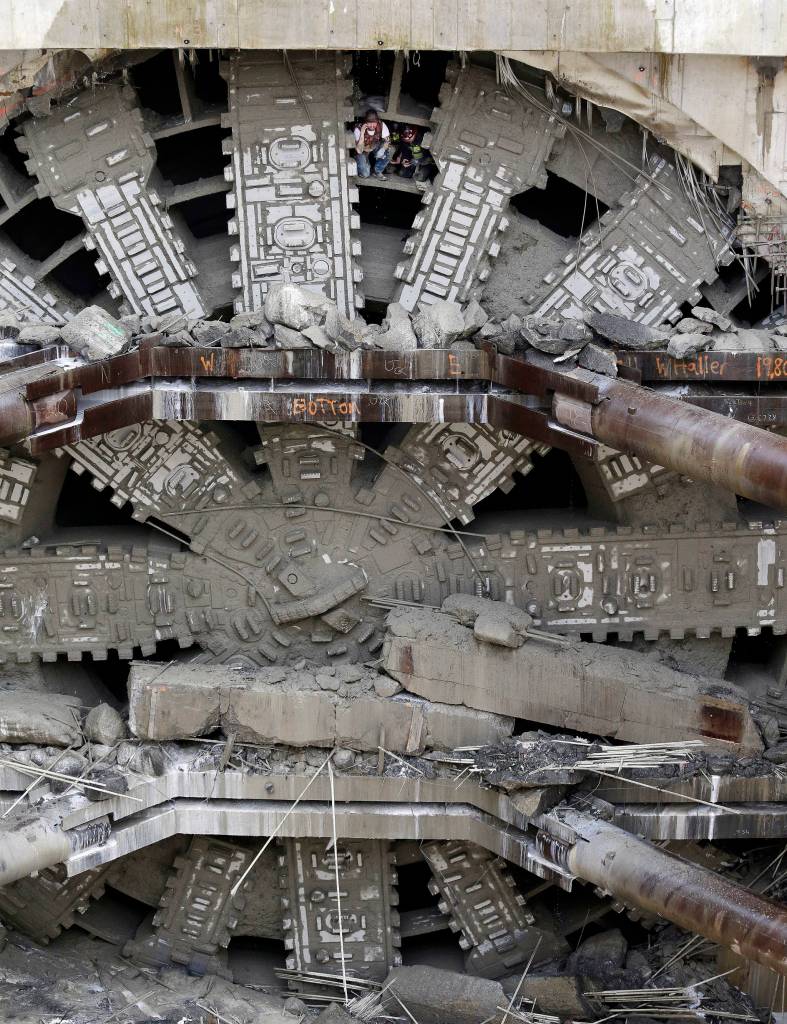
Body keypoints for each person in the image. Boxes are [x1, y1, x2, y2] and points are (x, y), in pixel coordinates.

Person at [354, 109, 391, 179]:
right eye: (369, 122)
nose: (372, 125)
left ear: (377, 121)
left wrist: (383, 149)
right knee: (365, 174)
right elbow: (359, 150)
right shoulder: (358, 129)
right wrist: (362, 133)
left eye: (374, 122)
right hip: (362, 150)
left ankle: (377, 171)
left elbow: (387, 141)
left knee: (389, 150)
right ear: (365, 122)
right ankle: (366, 164)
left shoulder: (381, 125)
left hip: (374, 145)